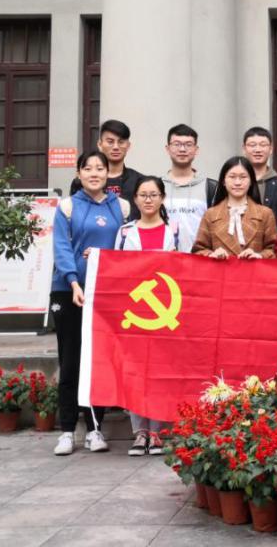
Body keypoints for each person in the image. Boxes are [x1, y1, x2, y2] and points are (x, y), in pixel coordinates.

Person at [51, 150, 130, 456]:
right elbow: (61, 247)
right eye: (88, 168)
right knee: (71, 359)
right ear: (79, 173)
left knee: (98, 361)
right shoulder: (67, 206)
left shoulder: (121, 207)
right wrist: (73, 282)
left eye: (100, 168)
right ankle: (67, 431)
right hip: (69, 291)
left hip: (105, 292)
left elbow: (125, 246)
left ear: (108, 173)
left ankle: (95, 429)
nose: (94, 173)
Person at [116, 176, 180, 456]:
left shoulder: (173, 230)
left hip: (165, 310)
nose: (148, 200)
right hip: (134, 312)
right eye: (143, 195)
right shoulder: (124, 232)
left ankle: (157, 431)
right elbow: (115, 268)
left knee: (160, 371)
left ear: (162, 198)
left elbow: (184, 268)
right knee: (136, 371)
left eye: (154, 194)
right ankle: (139, 431)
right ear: (135, 199)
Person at [192, 157, 277, 259]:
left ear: (251, 181)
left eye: (243, 177)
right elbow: (198, 250)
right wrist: (211, 254)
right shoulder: (210, 214)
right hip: (220, 269)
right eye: (232, 177)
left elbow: (274, 250)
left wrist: (259, 255)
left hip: (255, 269)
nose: (237, 182)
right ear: (223, 181)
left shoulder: (265, 214)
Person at [161, 124, 218, 252]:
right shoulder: (157, 186)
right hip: (164, 258)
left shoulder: (211, 187)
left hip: (201, 258)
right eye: (177, 144)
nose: (182, 149)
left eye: (188, 144)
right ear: (167, 149)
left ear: (196, 150)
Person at [70, 119, 145, 216]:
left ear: (128, 146)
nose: (116, 147)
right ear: (100, 144)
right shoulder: (83, 181)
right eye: (110, 142)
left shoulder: (140, 181)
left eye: (121, 142)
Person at [242, 126, 277, 231]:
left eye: (263, 145)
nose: (257, 150)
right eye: (252, 145)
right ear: (244, 149)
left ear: (271, 149)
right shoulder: (234, 183)